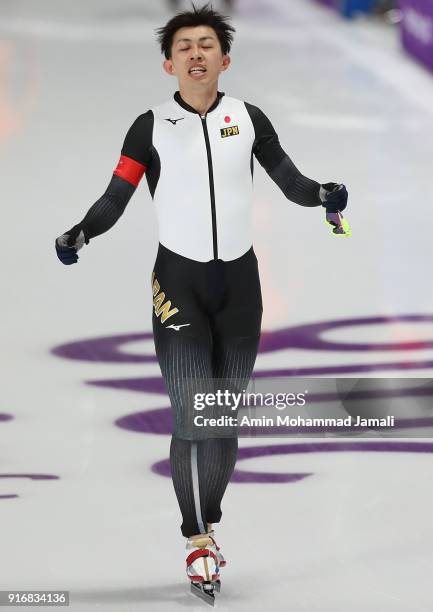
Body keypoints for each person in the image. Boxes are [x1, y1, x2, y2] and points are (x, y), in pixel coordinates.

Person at [55, 2, 348, 604]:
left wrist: (323, 194)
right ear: (169, 63)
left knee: (221, 418)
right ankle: (194, 538)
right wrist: (81, 231)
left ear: (225, 58)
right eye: (184, 45)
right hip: (178, 286)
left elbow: (289, 182)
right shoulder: (150, 126)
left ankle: (207, 519)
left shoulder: (249, 117)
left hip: (240, 287)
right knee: (193, 412)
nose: (195, 53)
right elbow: (116, 197)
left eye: (206, 44)